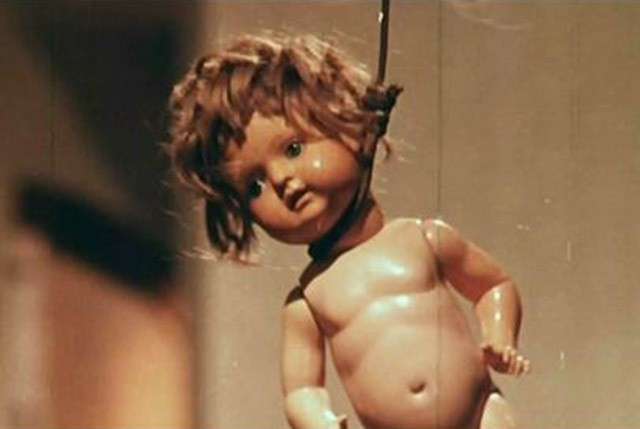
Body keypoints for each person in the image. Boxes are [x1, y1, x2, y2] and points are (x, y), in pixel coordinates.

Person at [167, 33, 530, 429]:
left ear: (349, 125)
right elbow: (302, 390)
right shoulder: (307, 302)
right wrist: (319, 420)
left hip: (481, 414)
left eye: (293, 149)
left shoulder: (424, 240)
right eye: (254, 186)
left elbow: (494, 286)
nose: (282, 180)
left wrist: (500, 337)